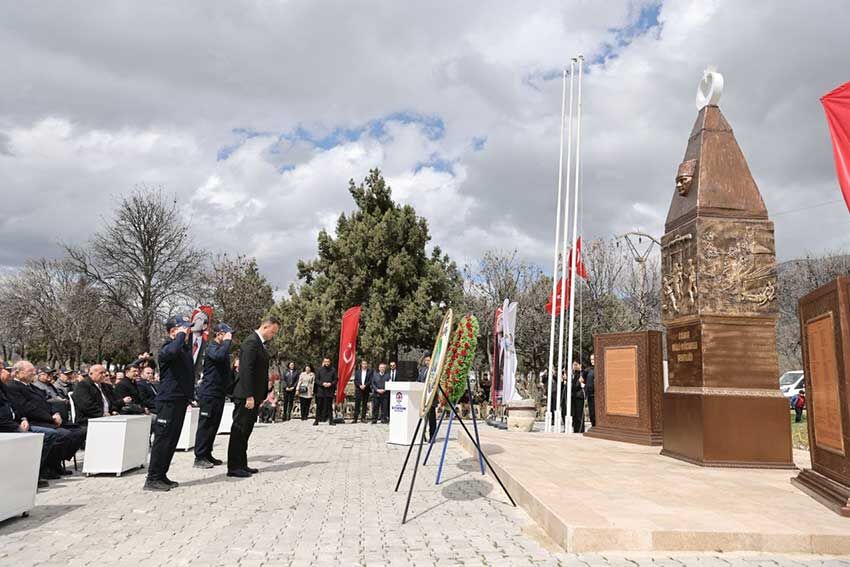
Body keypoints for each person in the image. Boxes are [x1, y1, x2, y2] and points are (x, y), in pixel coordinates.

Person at [6, 361, 84, 476]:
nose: (34, 373)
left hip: (47, 419)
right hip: (34, 421)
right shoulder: (13, 387)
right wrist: (51, 418)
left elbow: (47, 404)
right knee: (63, 434)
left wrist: (56, 413)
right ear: (19, 373)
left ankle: (55, 463)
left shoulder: (33, 387)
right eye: (30, 371)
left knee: (79, 432)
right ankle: (47, 467)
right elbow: (27, 409)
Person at [145, 315, 195, 492]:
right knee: (163, 439)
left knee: (172, 439)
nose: (187, 332)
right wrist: (180, 335)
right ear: (173, 331)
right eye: (184, 329)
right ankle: (152, 478)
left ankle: (161, 474)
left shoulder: (182, 348)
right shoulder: (167, 348)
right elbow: (172, 352)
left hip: (179, 399)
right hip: (168, 400)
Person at [227, 315, 281, 478]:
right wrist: (249, 395)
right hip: (245, 395)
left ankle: (241, 463)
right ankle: (234, 467)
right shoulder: (251, 342)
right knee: (239, 430)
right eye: (273, 331)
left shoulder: (259, 344)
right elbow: (246, 371)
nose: (273, 335)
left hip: (254, 395)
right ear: (266, 327)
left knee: (246, 431)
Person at [193, 323, 233, 469]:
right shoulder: (212, 348)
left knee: (213, 425)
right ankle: (199, 456)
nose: (230, 338)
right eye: (227, 334)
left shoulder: (222, 349)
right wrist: (227, 342)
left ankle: (207, 453)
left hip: (219, 392)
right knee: (206, 425)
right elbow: (219, 356)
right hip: (209, 392)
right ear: (219, 334)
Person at [417, 356, 436, 440]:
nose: (427, 362)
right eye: (426, 360)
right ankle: (423, 436)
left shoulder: (434, 370)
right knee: (423, 418)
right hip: (422, 397)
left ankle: (432, 436)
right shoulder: (422, 370)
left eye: (428, 360)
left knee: (431, 418)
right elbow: (419, 381)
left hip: (430, 397)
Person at [313, 357, 337, 426]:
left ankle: (331, 421)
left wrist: (330, 384)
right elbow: (316, 380)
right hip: (321, 391)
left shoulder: (333, 370)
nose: (327, 363)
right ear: (323, 362)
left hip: (329, 391)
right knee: (319, 406)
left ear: (330, 362)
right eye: (325, 361)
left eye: (328, 362)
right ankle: (316, 420)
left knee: (329, 407)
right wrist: (322, 384)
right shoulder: (319, 370)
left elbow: (335, 380)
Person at [570, 361, 586, 434]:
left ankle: (580, 430)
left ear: (580, 365)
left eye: (576, 365)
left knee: (579, 414)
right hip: (574, 396)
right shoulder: (574, 374)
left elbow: (577, 386)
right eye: (573, 365)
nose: (574, 366)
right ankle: (575, 429)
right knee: (575, 415)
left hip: (579, 396)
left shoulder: (582, 373)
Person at [585, 354, 596, 427]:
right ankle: (593, 425)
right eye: (591, 359)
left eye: (593, 359)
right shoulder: (589, 370)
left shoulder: (599, 369)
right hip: (590, 395)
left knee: (595, 414)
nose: (592, 361)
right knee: (591, 414)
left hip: (596, 395)